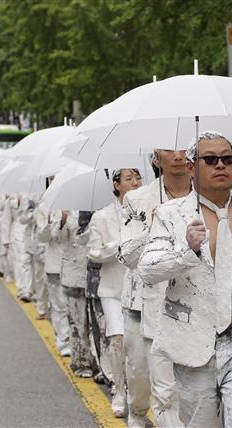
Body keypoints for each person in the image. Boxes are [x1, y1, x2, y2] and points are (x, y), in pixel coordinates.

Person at [138, 131, 232, 427]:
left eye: (227, 159)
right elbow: (148, 269)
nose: (220, 165)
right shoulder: (170, 215)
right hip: (194, 345)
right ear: (191, 167)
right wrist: (187, 250)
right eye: (210, 159)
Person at [119, 150, 191, 428]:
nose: (178, 155)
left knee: (184, 390)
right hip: (144, 301)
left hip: (192, 305)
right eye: (169, 149)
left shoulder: (206, 197)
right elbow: (127, 256)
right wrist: (154, 226)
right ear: (155, 158)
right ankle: (137, 413)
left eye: (183, 148)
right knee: (140, 373)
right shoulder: (138, 200)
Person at [88, 168, 142, 417]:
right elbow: (94, 252)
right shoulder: (102, 217)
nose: (134, 182)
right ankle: (118, 390)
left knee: (140, 346)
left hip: (141, 289)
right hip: (112, 289)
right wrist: (118, 246)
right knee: (118, 339)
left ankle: (139, 392)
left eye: (137, 178)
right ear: (116, 185)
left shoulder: (148, 212)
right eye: (129, 178)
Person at [60, 210, 97, 376]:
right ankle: (81, 362)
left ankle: (99, 364)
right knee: (77, 321)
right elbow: (57, 239)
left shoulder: (102, 209)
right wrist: (61, 221)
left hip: (96, 273)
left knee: (97, 323)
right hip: (74, 275)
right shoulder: (66, 208)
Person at [38, 201, 71, 355]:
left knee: (72, 306)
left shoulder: (79, 202)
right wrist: (57, 222)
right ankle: (63, 341)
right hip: (54, 264)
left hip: (75, 263)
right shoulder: (44, 207)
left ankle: (75, 341)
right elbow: (43, 237)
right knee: (59, 305)